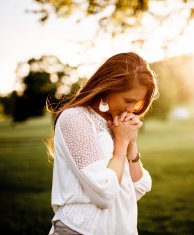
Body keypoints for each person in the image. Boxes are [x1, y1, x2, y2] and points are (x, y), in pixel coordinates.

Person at [47, 52, 158, 235]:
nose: (131, 109)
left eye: (137, 103)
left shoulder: (116, 123)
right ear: (108, 88)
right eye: (128, 100)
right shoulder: (75, 119)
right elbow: (105, 193)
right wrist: (121, 143)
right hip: (80, 229)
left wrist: (131, 144)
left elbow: (139, 187)